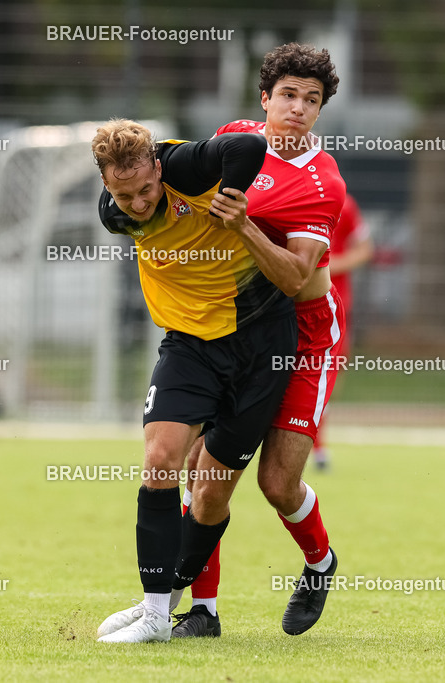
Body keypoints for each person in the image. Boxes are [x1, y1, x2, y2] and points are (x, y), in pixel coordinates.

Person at [91, 119, 298, 644]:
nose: (138, 203)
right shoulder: (115, 216)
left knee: (209, 493)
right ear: (107, 187)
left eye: (145, 189)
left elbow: (248, 145)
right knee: (160, 461)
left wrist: (230, 201)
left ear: (158, 167)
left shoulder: (182, 166)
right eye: (124, 194)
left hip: (260, 339)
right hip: (189, 344)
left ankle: (179, 602)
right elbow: (136, 217)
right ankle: (157, 614)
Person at [173, 43, 347, 638]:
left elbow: (298, 279)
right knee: (201, 471)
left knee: (276, 483)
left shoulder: (321, 183)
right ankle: (203, 612)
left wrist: (243, 223)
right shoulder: (235, 138)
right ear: (265, 98)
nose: (299, 108)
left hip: (302, 341)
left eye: (312, 100)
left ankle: (320, 564)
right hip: (235, 329)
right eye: (290, 95)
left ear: (321, 110)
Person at [311, 193, 373, 469]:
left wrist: (328, 265)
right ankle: (317, 447)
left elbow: (365, 249)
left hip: (336, 308)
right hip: (295, 304)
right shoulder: (288, 196)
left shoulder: (345, 204)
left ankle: (315, 442)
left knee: (328, 379)